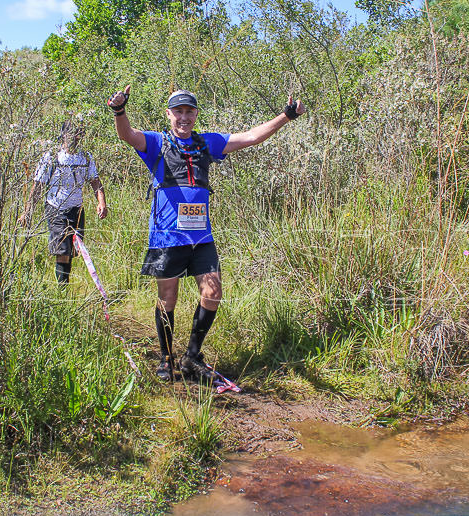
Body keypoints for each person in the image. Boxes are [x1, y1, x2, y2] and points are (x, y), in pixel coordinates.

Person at [107, 85, 305, 382]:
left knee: (213, 294)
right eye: (178, 112)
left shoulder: (206, 143)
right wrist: (119, 110)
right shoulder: (157, 142)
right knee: (168, 299)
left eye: (189, 112)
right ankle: (166, 357)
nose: (184, 117)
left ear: (196, 114)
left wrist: (287, 115)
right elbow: (127, 135)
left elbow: (250, 137)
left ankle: (192, 356)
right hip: (167, 238)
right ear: (169, 114)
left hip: (202, 239)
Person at [21, 121, 108, 285]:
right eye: (72, 134)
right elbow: (38, 185)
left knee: (74, 249)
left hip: (77, 209)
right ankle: (62, 289)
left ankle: (64, 286)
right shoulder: (52, 157)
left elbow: (95, 180)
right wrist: (28, 211)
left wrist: (101, 202)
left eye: (79, 134)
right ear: (64, 135)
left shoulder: (85, 157)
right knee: (62, 250)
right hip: (56, 208)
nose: (76, 137)